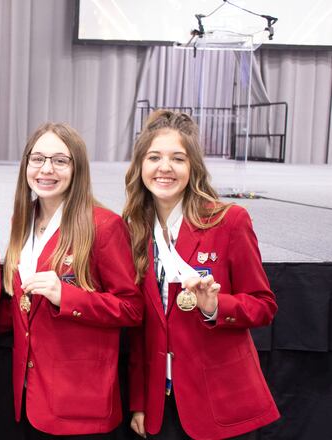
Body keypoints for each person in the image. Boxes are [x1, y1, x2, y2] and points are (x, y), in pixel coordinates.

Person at [123, 110, 279, 440]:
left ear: (193, 167)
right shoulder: (133, 231)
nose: (164, 168)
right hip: (161, 406)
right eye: (154, 157)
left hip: (220, 402)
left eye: (177, 158)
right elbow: (140, 330)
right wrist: (139, 402)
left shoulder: (229, 221)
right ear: (140, 166)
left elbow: (263, 306)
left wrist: (214, 307)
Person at [2, 122, 143, 438]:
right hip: (30, 395)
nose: (46, 169)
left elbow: (132, 309)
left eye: (60, 160)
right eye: (37, 159)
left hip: (80, 402)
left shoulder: (104, 226)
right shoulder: (22, 220)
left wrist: (66, 296)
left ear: (77, 168)